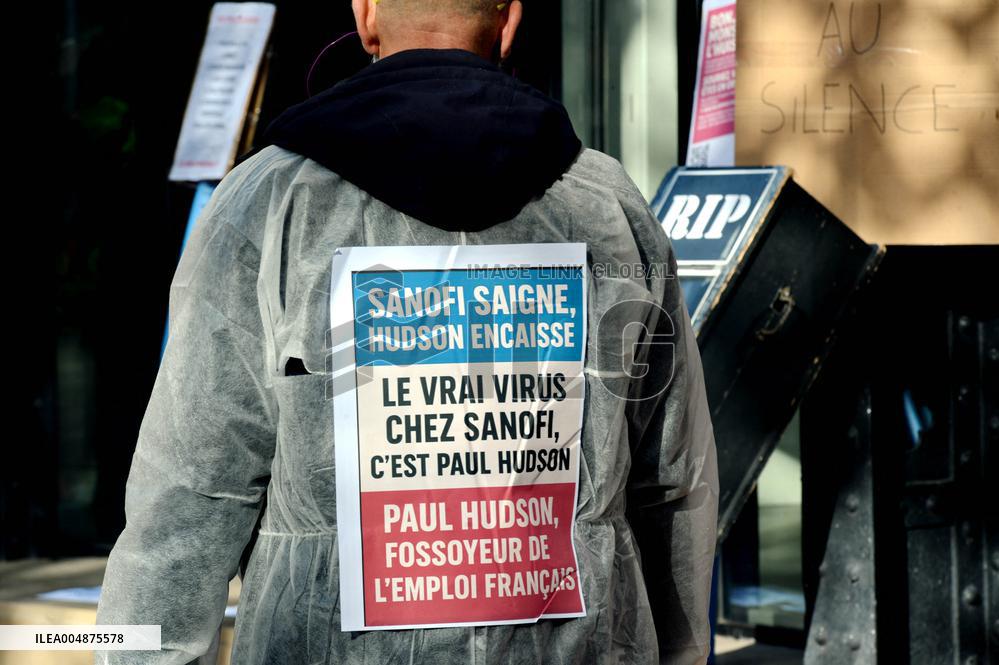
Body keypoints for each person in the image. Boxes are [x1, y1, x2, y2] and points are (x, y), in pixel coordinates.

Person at [95, 0, 719, 663]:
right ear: (509, 21)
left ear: (365, 15)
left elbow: (189, 494)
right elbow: (672, 481)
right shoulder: (610, 207)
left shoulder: (269, 204)